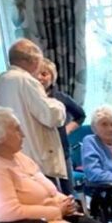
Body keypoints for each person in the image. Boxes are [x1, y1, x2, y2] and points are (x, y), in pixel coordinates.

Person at [0, 39, 67, 183]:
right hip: (35, 158)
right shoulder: (26, 81)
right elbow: (50, 116)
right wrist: (58, 105)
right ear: (32, 60)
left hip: (10, 157)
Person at [35, 59, 86, 193]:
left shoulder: (60, 98)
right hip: (40, 154)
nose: (40, 77)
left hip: (62, 151)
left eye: (44, 74)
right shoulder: (30, 99)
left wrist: (67, 129)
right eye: (36, 74)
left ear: (52, 77)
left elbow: (80, 115)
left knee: (68, 190)